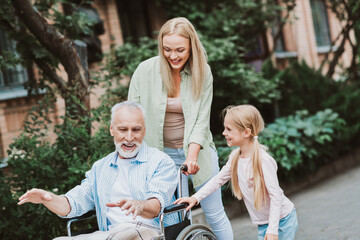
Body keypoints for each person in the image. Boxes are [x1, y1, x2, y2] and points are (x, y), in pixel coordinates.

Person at [128, 17, 233, 239]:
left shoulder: (202, 72)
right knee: (170, 216)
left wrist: (191, 156)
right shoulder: (145, 71)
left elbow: (201, 121)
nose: (173, 56)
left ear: (191, 47)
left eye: (180, 50)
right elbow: (132, 116)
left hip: (198, 154)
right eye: (167, 49)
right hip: (160, 157)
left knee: (213, 212)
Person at [18, 101, 178, 240]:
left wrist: (140, 205)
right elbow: (73, 204)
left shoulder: (161, 162)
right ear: (112, 130)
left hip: (150, 232)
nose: (129, 137)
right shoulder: (100, 168)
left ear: (144, 131)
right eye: (123, 129)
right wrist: (48, 199)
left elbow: (156, 205)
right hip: (112, 233)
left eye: (136, 130)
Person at [175, 105, 298, 240]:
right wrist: (195, 198)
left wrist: (273, 230)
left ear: (246, 132)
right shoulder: (235, 158)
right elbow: (218, 180)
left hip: (282, 221)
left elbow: (276, 197)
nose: (224, 133)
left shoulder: (263, 160)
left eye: (228, 129)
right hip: (264, 223)